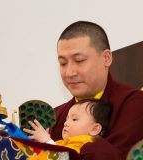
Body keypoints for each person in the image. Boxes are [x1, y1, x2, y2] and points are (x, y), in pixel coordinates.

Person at [48, 21, 143, 160]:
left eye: (79, 60)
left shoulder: (135, 104)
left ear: (106, 58)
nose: (69, 72)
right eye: (63, 63)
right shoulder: (55, 117)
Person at [23, 98, 113, 153]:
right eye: (67, 119)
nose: (66, 123)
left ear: (94, 129)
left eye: (74, 119)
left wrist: (47, 141)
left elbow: (65, 157)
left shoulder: (84, 144)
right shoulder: (61, 143)